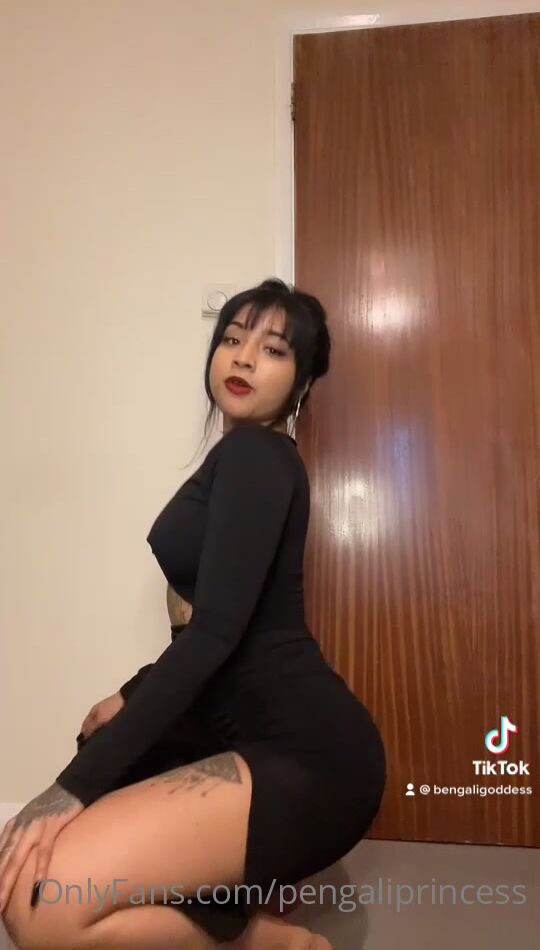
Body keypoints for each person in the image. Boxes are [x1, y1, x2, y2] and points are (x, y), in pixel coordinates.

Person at [0, 278, 386, 950]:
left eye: (272, 349)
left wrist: (71, 790)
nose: (244, 357)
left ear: (301, 384)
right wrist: (130, 695)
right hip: (244, 731)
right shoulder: (243, 459)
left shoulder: (256, 454)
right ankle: (241, 900)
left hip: (305, 755)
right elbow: (221, 624)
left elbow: (216, 634)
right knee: (42, 843)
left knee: (42, 903)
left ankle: (273, 942)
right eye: (232, 339)